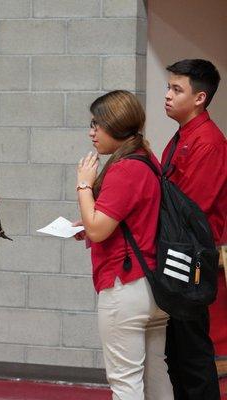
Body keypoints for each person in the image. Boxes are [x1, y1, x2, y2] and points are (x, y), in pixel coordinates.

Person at [74, 90, 173, 399]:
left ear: (115, 126)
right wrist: (89, 224)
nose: (91, 132)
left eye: (97, 124)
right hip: (152, 286)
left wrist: (84, 184)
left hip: (125, 286)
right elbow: (120, 221)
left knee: (125, 381)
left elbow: (99, 229)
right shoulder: (146, 158)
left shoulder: (124, 169)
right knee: (155, 377)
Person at [162, 58, 226, 400]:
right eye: (168, 87)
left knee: (194, 359)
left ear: (200, 98)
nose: (168, 96)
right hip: (176, 257)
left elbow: (189, 211)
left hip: (191, 260)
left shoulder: (208, 143)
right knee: (177, 356)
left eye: (176, 89)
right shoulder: (182, 136)